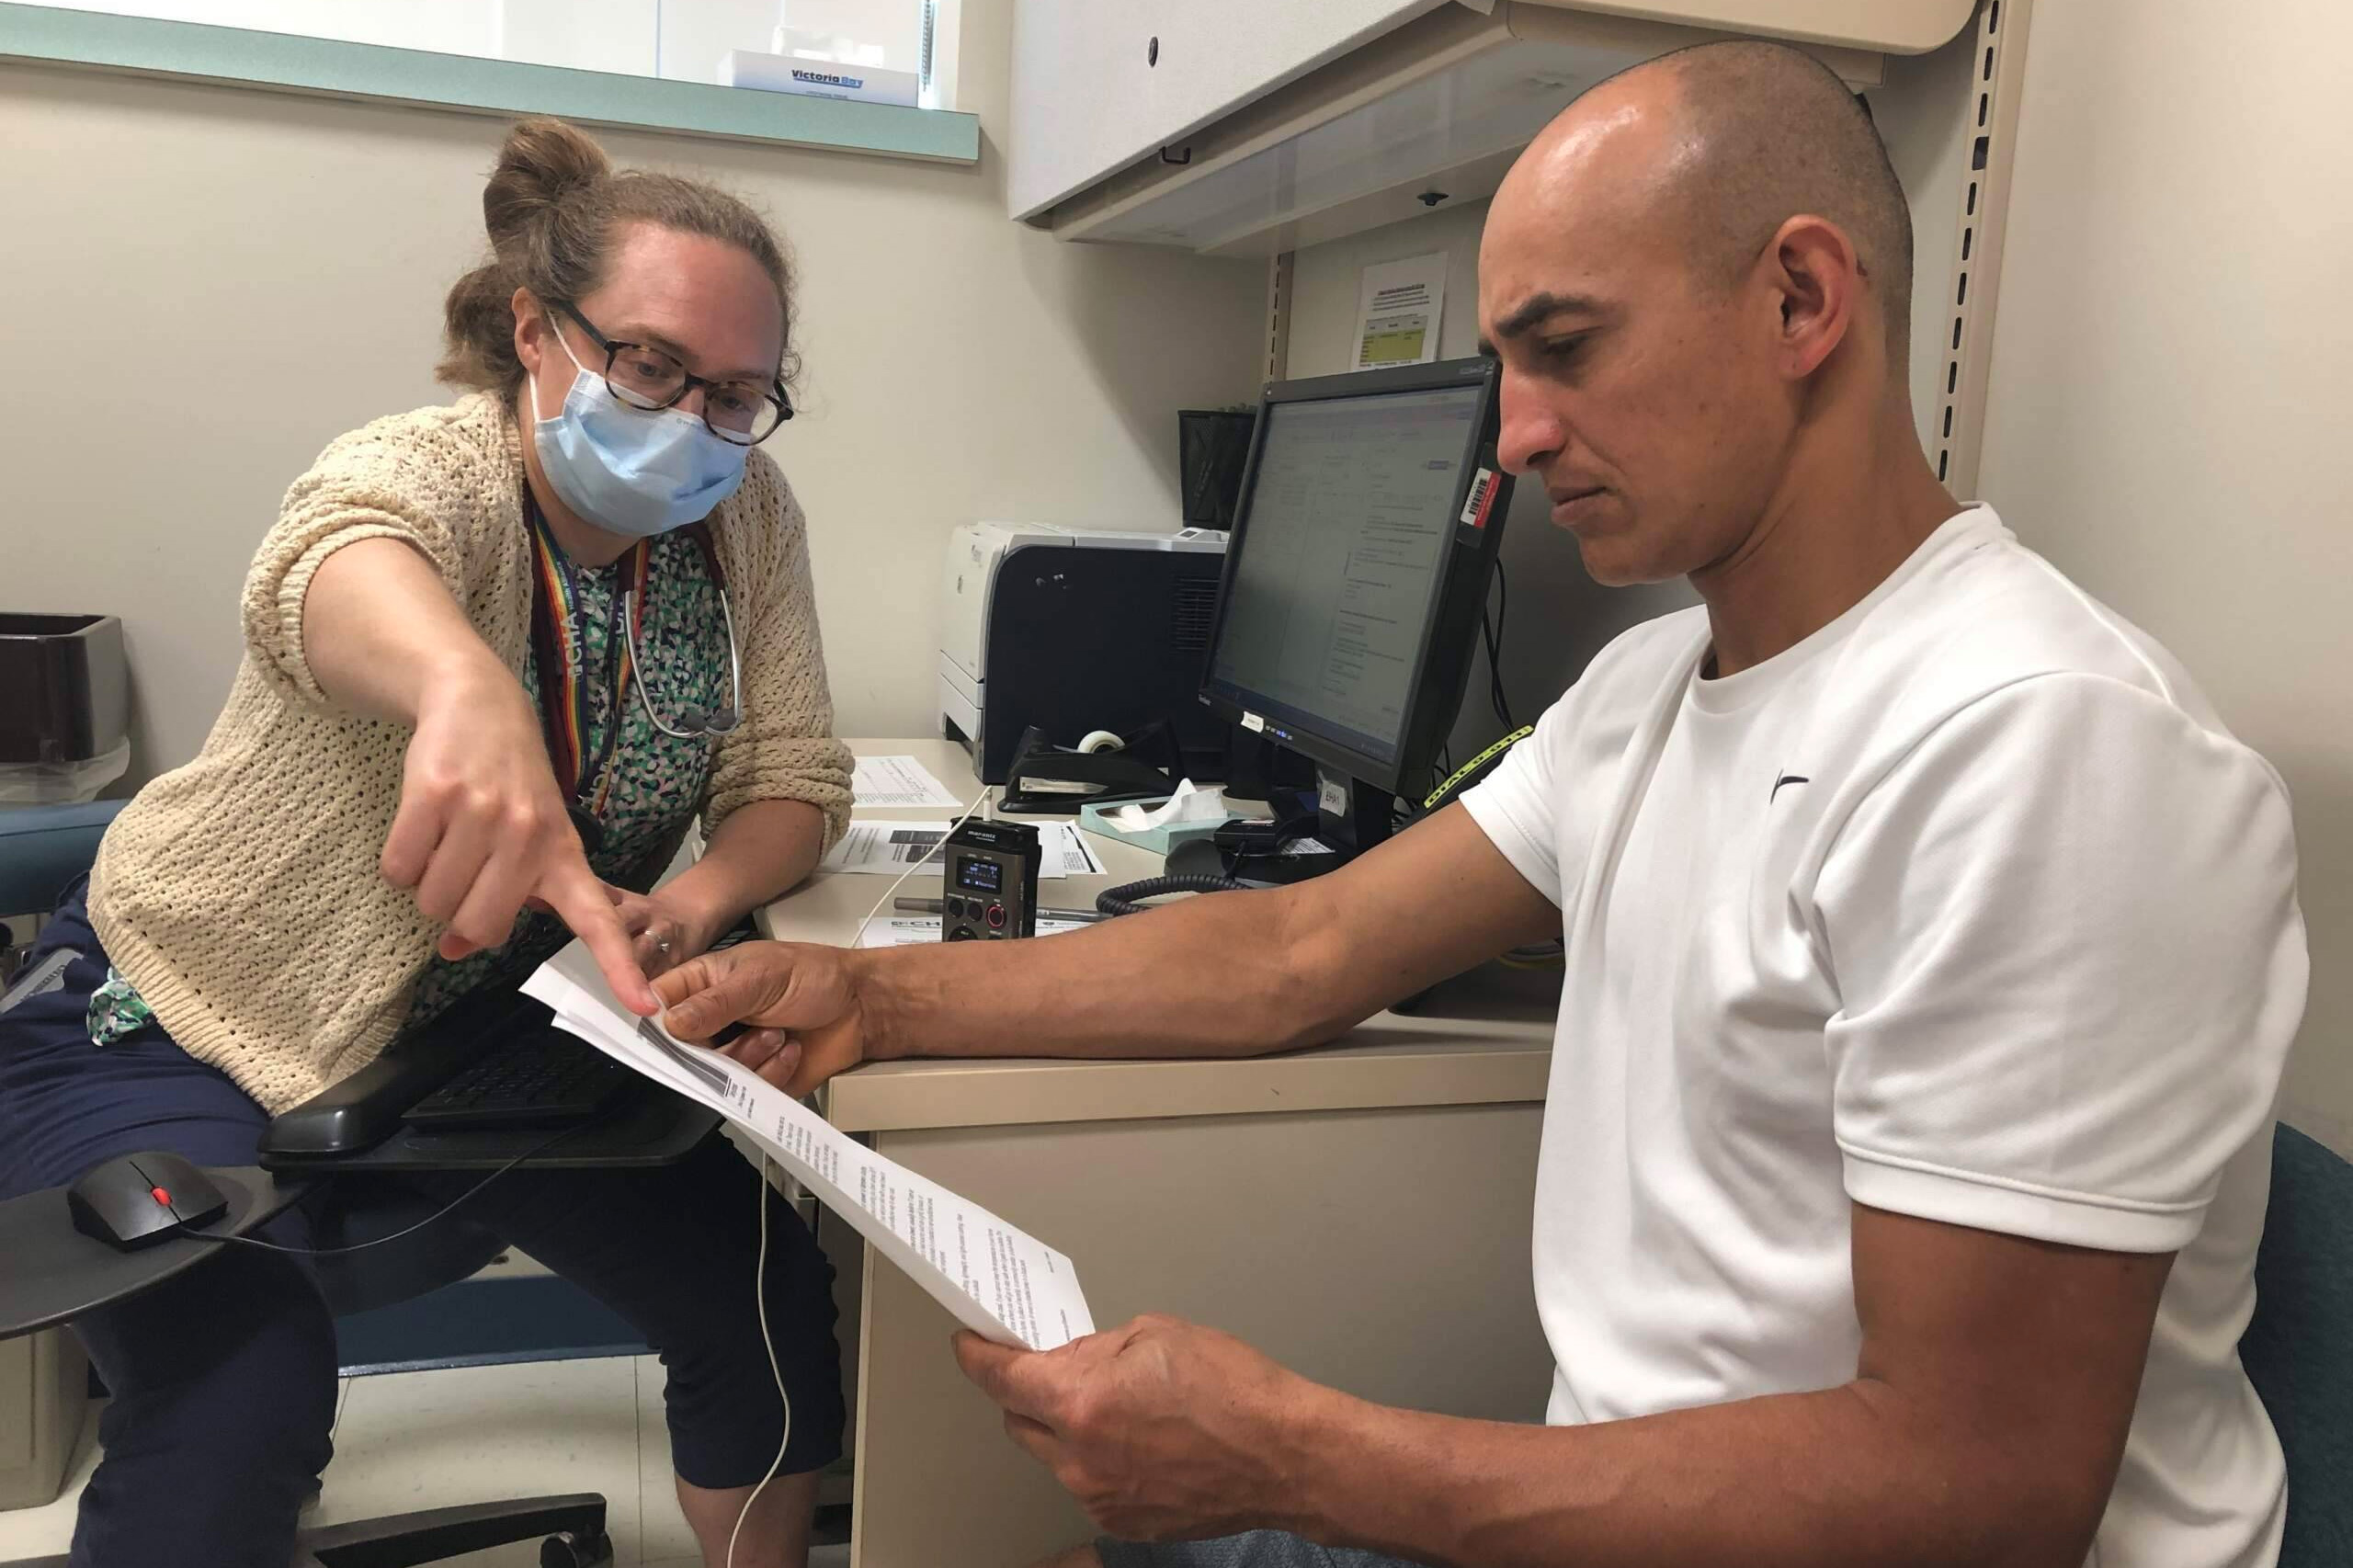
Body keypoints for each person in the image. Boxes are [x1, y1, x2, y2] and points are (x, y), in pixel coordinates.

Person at [653, 40, 2309, 1568]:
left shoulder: (2041, 747)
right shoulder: (1651, 688)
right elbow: (1298, 952)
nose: (1511, 437)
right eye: (1504, 364)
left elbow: (1976, 1486)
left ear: (1801, 299)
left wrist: (1296, 1456)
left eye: (1564, 348)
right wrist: (874, 997)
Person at [0, 119, 851, 1566]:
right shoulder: (439, 471)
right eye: (650, 365)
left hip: (473, 1041)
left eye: (736, 393)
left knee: (763, 1304)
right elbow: (330, 559)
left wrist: (702, 898)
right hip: (170, 1016)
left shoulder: (746, 518)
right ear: (535, 332)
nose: (693, 420)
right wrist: (464, 684)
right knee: (238, 1392)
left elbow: (793, 777)